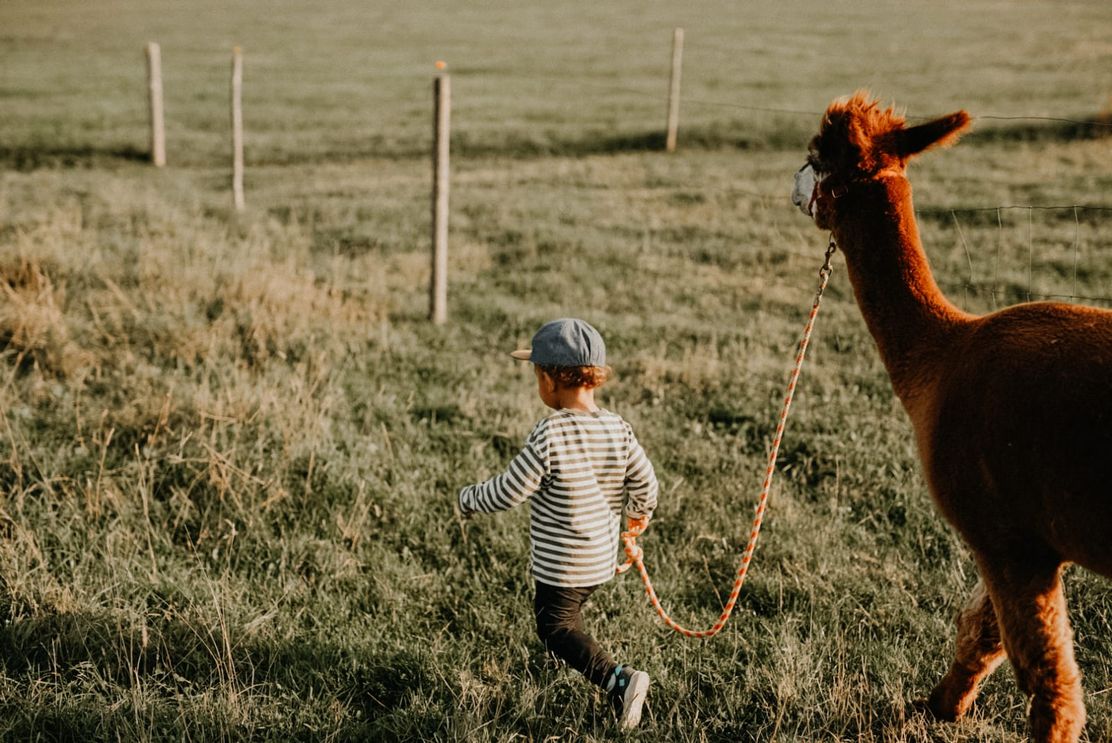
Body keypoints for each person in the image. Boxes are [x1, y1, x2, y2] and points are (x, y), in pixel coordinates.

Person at [458, 317, 659, 730]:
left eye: (537, 374)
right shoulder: (618, 429)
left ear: (552, 378)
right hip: (599, 560)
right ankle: (586, 655)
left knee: (554, 626)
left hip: (563, 564)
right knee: (569, 618)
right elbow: (646, 481)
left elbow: (509, 490)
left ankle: (619, 681)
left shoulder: (550, 434)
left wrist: (470, 498)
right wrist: (638, 515)